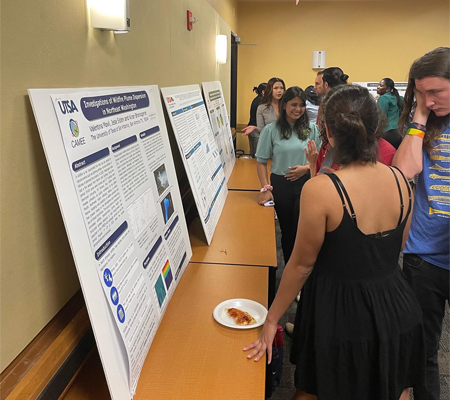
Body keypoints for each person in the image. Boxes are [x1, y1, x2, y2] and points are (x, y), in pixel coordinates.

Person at [245, 85, 425, 400]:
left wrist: (272, 317)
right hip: (396, 306)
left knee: (315, 388)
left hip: (338, 311)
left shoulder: (322, 189)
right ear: (376, 128)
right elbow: (398, 246)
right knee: (392, 386)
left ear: (327, 129)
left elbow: (301, 265)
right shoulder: (402, 181)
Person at [393, 46, 450, 400]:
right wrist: (420, 116)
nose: (429, 100)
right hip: (423, 256)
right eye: (421, 92)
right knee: (423, 352)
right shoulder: (423, 123)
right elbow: (403, 170)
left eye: (435, 92)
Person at [255, 86, 321, 264]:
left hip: (306, 184)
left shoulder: (312, 129)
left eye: (301, 105)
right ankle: (290, 268)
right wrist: (265, 188)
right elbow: (261, 161)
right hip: (281, 185)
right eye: (293, 104)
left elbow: (319, 159)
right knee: (288, 231)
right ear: (284, 105)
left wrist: (306, 168)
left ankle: (305, 269)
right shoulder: (271, 130)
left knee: (305, 230)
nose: (297, 109)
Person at [242, 78, 285, 154]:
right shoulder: (262, 108)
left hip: (286, 145)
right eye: (276, 88)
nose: (279, 91)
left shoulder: (287, 106)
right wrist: (255, 128)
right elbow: (262, 131)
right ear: (269, 90)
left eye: (281, 88)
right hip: (269, 146)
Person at [377, 78, 404, 149]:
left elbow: (381, 117)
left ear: (388, 89)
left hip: (387, 132)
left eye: (381, 85)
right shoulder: (399, 98)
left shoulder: (383, 98)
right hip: (398, 132)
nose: (378, 87)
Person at [243, 83, 266, 156]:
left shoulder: (256, 99)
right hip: (256, 130)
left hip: (251, 128)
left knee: (253, 154)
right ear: (263, 92)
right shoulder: (262, 101)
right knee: (258, 156)